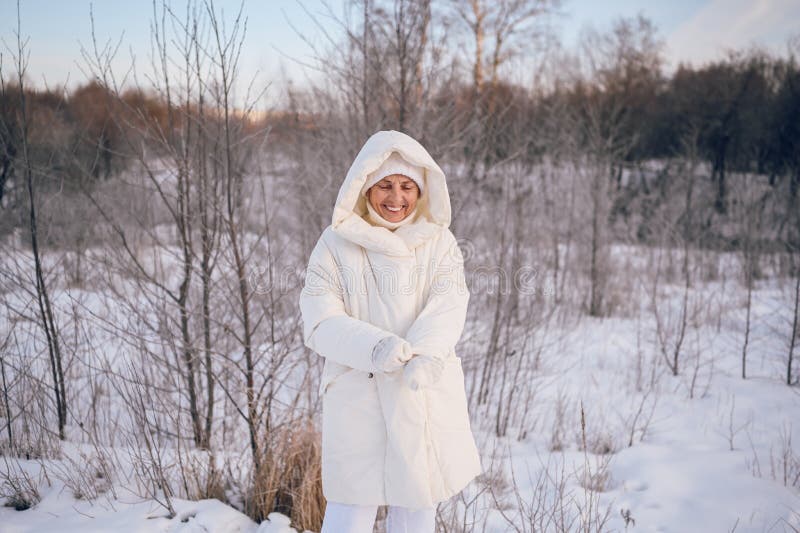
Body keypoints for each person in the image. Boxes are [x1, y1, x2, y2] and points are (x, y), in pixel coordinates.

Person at [299, 130, 482, 533]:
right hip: (358, 394)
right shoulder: (336, 244)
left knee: (415, 512)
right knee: (349, 514)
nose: (395, 198)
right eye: (384, 184)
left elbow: (449, 304)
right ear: (365, 186)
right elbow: (318, 318)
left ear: (421, 190)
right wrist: (376, 348)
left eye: (406, 186)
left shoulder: (439, 243)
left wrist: (426, 356)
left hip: (421, 394)